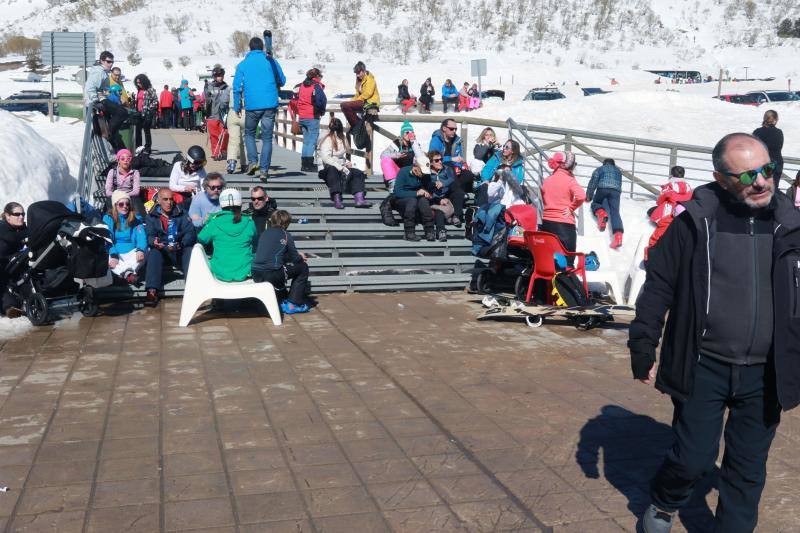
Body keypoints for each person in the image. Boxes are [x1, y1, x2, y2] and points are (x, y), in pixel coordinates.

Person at [628, 132, 800, 533]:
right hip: (704, 363)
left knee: (747, 469)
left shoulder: (791, 226)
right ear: (721, 178)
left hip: (766, 371)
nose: (760, 182)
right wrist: (643, 342)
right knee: (693, 457)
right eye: (746, 176)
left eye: (767, 171)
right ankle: (665, 500)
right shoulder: (695, 222)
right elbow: (659, 284)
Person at [233, 36, 286, 180]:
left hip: (252, 106)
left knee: (249, 133)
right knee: (267, 138)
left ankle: (253, 161)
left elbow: (236, 87)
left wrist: (237, 105)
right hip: (269, 104)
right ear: (262, 47)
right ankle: (264, 170)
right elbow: (282, 80)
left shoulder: (243, 64)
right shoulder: (271, 61)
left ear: (249, 48)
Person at [143, 188, 197, 307]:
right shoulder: (151, 216)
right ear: (158, 200)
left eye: (171, 199)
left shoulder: (182, 213)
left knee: (189, 250)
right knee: (153, 253)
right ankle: (152, 291)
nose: (169, 202)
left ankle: (193, 289)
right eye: (165, 199)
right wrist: (155, 242)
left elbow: (190, 232)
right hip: (162, 250)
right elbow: (149, 235)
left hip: (179, 249)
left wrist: (181, 243)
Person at [253, 209, 311, 314]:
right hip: (271, 273)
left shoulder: (264, 233)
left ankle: (282, 298)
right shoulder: (285, 235)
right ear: (286, 223)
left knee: (281, 266)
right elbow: (295, 258)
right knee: (303, 268)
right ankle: (293, 303)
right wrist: (300, 256)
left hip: (256, 272)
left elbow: (272, 254)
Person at [197, 188, 257, 282]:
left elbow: (201, 238)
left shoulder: (214, 222)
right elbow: (255, 244)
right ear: (240, 204)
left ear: (221, 204)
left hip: (220, 272)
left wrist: (208, 221)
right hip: (245, 272)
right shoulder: (249, 222)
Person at [317, 118, 371, 210]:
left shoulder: (342, 138)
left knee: (357, 173)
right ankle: (337, 198)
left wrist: (346, 162)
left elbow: (340, 156)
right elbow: (326, 157)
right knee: (332, 170)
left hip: (340, 166)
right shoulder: (327, 139)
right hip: (326, 168)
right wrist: (339, 166)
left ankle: (359, 198)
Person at [540, 151, 585, 259]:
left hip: (546, 224)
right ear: (569, 165)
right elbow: (581, 196)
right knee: (567, 263)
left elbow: (544, 196)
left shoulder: (547, 180)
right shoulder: (570, 180)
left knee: (548, 260)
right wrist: (571, 208)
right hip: (564, 226)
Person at [429, 118, 474, 225]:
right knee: (449, 166)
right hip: (442, 170)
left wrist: (458, 167)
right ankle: (458, 196)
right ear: (444, 128)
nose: (454, 131)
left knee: (469, 175)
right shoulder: (436, 140)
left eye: (455, 129)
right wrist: (451, 160)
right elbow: (433, 158)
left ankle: (456, 192)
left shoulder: (457, 140)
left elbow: (460, 158)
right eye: (451, 129)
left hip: (453, 172)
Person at [644, 166, 693, 262]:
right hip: (684, 213)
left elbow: (659, 201)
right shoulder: (688, 187)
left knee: (654, 216)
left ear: (671, 175)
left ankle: (651, 257)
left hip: (669, 213)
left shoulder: (669, 186)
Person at [83, 51, 127, 152]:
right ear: (102, 61)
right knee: (122, 112)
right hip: (98, 100)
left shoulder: (103, 71)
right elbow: (90, 87)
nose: (110, 64)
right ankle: (108, 134)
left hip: (101, 98)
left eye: (112, 62)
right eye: (108, 61)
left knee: (120, 113)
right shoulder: (99, 71)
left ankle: (110, 134)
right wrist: (95, 101)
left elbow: (102, 88)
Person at [103, 190, 147, 284]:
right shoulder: (108, 218)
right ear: (115, 205)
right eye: (121, 204)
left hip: (132, 250)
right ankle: (129, 274)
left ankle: (125, 273)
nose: (125, 206)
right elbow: (107, 239)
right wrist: (114, 255)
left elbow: (141, 235)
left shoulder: (136, 218)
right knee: (109, 259)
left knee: (147, 250)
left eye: (127, 204)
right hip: (116, 251)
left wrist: (140, 249)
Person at [290, 68, 325, 172]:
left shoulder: (302, 85)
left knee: (306, 141)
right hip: (312, 116)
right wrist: (321, 111)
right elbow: (321, 100)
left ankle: (304, 164)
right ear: (317, 76)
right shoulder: (316, 86)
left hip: (302, 116)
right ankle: (309, 165)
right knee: (312, 141)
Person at [393, 156, 435, 242]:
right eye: (421, 171)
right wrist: (415, 193)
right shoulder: (403, 172)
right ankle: (409, 232)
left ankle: (429, 231)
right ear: (415, 166)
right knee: (412, 201)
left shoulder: (425, 175)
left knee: (424, 202)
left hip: (417, 198)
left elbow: (429, 188)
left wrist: (427, 192)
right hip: (402, 199)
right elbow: (397, 192)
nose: (423, 174)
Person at [586, 158, 624, 249]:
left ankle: (601, 213)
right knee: (615, 213)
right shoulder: (618, 171)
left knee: (596, 203)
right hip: (616, 191)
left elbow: (593, 183)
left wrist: (589, 196)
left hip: (602, 189)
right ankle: (618, 237)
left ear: (604, 164)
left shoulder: (600, 169)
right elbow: (619, 183)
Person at [0, 202, 28, 316]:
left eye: (23, 214)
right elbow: (12, 238)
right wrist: (28, 235)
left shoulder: (22, 228)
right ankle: (9, 307)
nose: (21, 217)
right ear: (7, 216)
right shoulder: (2, 226)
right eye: (17, 214)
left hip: (13, 263)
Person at [379, 120, 423, 192]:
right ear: (402, 134)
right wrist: (397, 155)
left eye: (411, 132)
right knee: (385, 160)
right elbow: (383, 155)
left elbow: (421, 157)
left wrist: (413, 142)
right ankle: (393, 185)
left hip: (411, 172)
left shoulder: (415, 144)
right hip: (397, 172)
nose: (409, 134)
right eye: (407, 132)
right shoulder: (397, 143)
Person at [478, 139, 524, 205]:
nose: (504, 148)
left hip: (507, 188)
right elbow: (486, 169)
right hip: (493, 184)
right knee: (485, 187)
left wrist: (509, 172)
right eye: (504, 146)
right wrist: (485, 179)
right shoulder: (497, 157)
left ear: (513, 151)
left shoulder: (517, 164)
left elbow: (518, 180)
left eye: (507, 147)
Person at [428, 150, 459, 241]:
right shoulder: (427, 173)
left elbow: (452, 179)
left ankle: (456, 215)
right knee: (439, 211)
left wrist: (443, 183)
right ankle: (441, 231)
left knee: (456, 192)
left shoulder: (446, 168)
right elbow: (426, 186)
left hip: (445, 195)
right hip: (433, 199)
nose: (440, 162)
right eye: (436, 160)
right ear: (431, 162)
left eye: (441, 159)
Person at [105, 148, 144, 214]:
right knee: (109, 201)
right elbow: (108, 191)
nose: (125, 161)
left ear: (131, 161)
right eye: (122, 159)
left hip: (130, 196)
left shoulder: (135, 173)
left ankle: (141, 221)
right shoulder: (112, 172)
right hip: (116, 195)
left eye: (128, 159)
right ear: (118, 160)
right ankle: (110, 221)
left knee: (137, 203)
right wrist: (118, 196)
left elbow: (136, 191)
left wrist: (124, 195)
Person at [341, 61, 380, 127]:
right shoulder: (359, 80)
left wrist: (356, 100)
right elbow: (357, 94)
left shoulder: (370, 79)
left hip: (370, 102)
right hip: (362, 101)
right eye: (356, 73)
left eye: (359, 72)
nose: (357, 75)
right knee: (343, 105)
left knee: (345, 105)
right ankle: (358, 125)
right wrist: (352, 100)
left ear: (363, 70)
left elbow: (368, 93)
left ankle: (357, 126)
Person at [204, 66, 230, 161]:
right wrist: (206, 91)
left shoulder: (227, 87)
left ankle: (223, 151)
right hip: (212, 115)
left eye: (222, 75)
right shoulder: (210, 87)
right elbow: (206, 100)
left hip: (223, 115)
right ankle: (215, 153)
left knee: (225, 134)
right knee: (214, 136)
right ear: (214, 76)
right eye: (218, 75)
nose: (220, 77)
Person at [752, 109, 784, 182]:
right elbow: (779, 147)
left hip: (761, 163)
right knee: (773, 188)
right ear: (775, 119)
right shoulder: (779, 132)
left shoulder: (757, 132)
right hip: (776, 163)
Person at [132, 74, 157, 154]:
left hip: (147, 113)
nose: (138, 84)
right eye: (137, 83)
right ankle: (138, 147)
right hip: (139, 113)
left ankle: (147, 147)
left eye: (140, 82)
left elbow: (155, 100)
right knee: (138, 131)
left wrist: (149, 109)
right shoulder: (139, 90)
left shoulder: (150, 89)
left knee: (146, 130)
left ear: (144, 81)